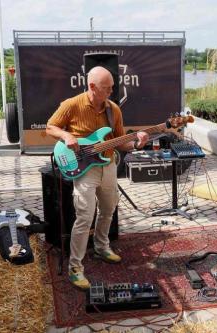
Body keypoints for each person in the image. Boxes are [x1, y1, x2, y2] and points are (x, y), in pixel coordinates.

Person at [46, 66, 149, 289]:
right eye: (107, 88)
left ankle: (102, 247)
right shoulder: (71, 105)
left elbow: (120, 141)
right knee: (84, 216)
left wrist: (137, 144)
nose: (111, 91)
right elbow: (50, 127)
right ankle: (75, 267)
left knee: (109, 208)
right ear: (92, 87)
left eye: (112, 87)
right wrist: (66, 135)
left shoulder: (114, 110)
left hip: (108, 165)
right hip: (84, 169)